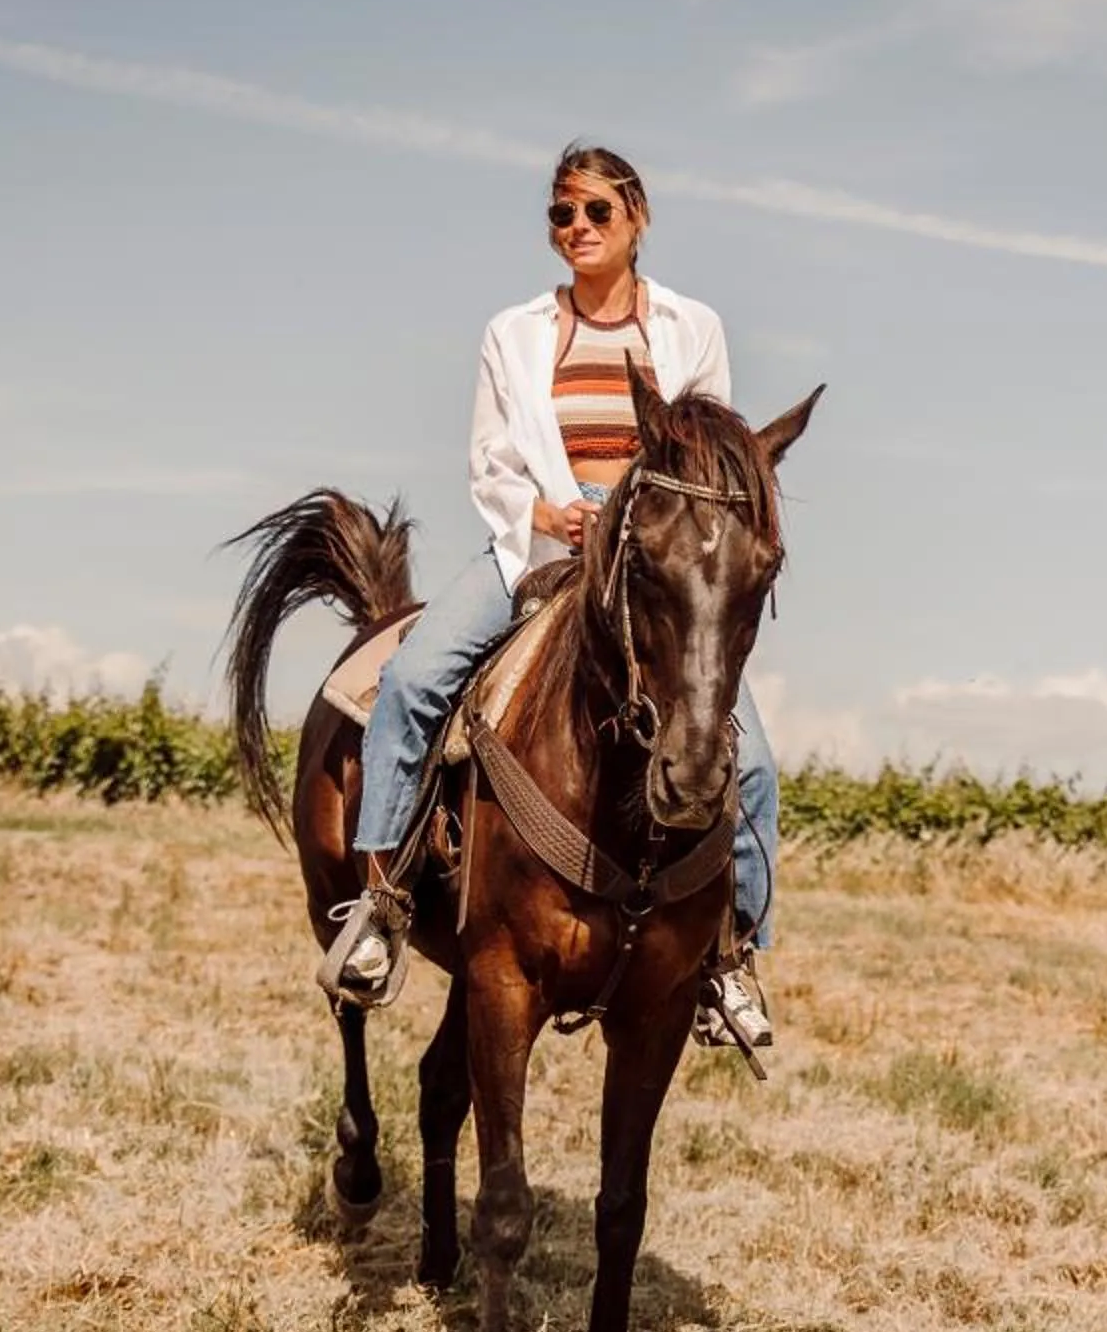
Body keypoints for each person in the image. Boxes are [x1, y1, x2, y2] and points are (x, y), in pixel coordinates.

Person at [319, 144, 782, 1045]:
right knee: (412, 687)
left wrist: (642, 525)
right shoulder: (517, 331)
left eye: (596, 213)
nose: (577, 230)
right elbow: (490, 460)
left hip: (653, 559)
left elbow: (712, 459)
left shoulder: (694, 327)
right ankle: (379, 908)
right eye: (561, 216)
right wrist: (548, 513)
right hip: (541, 541)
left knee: (752, 759)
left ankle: (731, 957)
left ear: (637, 218)